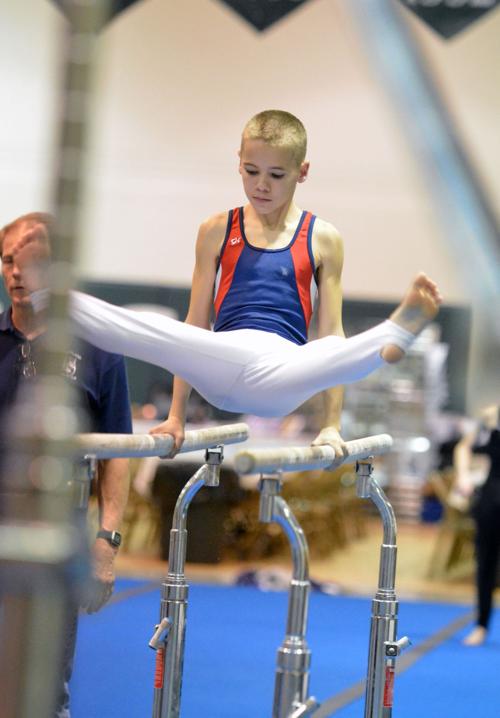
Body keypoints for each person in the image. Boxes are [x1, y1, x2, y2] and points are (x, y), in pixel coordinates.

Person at [16, 111, 442, 461]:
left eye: (276, 175)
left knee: (331, 349)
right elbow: (194, 324)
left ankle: (392, 336)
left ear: (303, 172)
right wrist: (176, 416)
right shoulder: (217, 229)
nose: (261, 185)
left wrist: (331, 426)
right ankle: (49, 295)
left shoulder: (323, 237)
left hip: (283, 373)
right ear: (238, 160)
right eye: (251, 170)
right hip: (217, 362)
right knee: (151, 333)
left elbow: (331, 334)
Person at [0, 212, 133, 717]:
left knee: (43, 687)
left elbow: (118, 450)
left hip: (56, 535)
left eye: (29, 261)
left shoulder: (99, 348)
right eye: (7, 260)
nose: (15, 273)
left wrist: (107, 541)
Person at [454, 405, 500, 646]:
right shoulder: (491, 418)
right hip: (492, 501)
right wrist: (463, 476)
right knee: (486, 565)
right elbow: (464, 447)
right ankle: (481, 625)